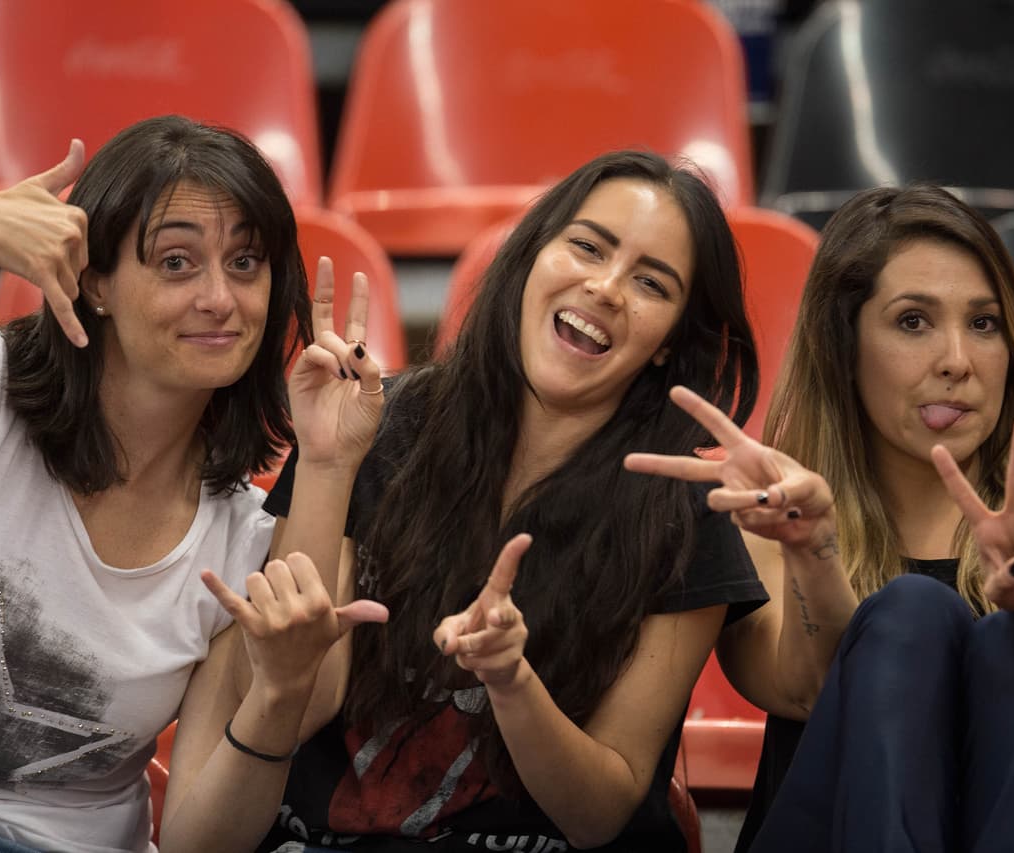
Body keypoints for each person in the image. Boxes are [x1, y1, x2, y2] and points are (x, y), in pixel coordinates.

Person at [165, 149, 771, 852]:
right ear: (531, 259)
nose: (605, 287)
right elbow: (303, 698)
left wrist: (511, 680)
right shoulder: (377, 423)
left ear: (670, 343)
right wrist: (328, 467)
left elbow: (600, 812)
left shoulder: (684, 511)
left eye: (651, 283)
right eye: (586, 247)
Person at [0, 114, 375, 853]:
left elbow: (202, 839)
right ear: (94, 281)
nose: (220, 298)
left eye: (246, 262)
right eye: (176, 263)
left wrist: (325, 463)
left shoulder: (246, 540)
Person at [627, 185, 1014, 851]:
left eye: (983, 323)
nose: (956, 359)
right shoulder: (769, 519)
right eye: (913, 321)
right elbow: (800, 689)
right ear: (844, 347)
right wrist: (814, 550)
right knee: (910, 613)